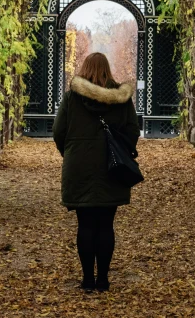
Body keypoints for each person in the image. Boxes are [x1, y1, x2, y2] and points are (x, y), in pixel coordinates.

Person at [53, 52, 140, 293]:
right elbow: (133, 131)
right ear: (108, 69)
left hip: (78, 166)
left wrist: (71, 153)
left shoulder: (72, 98)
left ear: (85, 68)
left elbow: (58, 131)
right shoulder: (122, 100)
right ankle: (103, 279)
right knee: (106, 224)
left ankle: (87, 279)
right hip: (112, 168)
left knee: (85, 224)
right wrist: (120, 150)